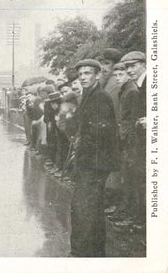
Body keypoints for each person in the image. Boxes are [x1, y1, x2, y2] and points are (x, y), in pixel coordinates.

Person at [70, 59, 118, 257]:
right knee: (90, 210)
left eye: (87, 73)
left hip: (93, 165)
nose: (82, 77)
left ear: (98, 75)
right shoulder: (90, 96)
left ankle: (82, 254)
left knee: (85, 210)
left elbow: (99, 134)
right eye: (80, 74)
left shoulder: (99, 97)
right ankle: (93, 253)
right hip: (91, 163)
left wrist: (81, 152)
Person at [108, 62, 139, 226]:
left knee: (129, 178)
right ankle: (124, 209)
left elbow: (130, 119)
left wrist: (121, 137)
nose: (118, 78)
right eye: (116, 75)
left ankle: (130, 213)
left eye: (121, 75)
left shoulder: (131, 91)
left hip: (129, 141)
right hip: (124, 138)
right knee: (124, 177)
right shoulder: (125, 90)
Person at [121, 51, 146, 229]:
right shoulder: (139, 85)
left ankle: (140, 221)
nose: (129, 70)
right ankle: (138, 219)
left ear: (144, 64)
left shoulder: (147, 84)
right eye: (127, 67)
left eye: (133, 66)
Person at [98, 48, 122, 116]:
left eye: (107, 63)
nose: (103, 67)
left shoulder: (116, 81)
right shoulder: (104, 79)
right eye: (101, 64)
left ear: (116, 65)